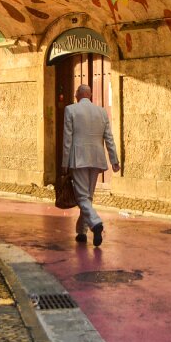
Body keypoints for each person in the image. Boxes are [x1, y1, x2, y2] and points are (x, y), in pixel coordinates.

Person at [61, 83, 120, 246]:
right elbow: (109, 137)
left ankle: (95, 223)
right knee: (88, 197)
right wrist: (114, 159)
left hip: (78, 158)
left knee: (82, 197)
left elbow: (67, 139)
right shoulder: (101, 112)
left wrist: (64, 162)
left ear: (78, 95)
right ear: (90, 95)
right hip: (96, 157)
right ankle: (81, 232)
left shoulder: (70, 110)